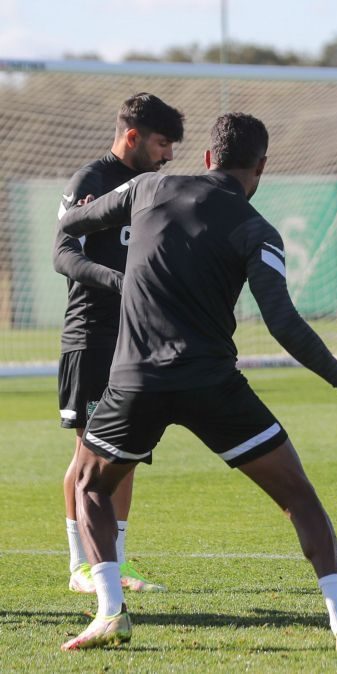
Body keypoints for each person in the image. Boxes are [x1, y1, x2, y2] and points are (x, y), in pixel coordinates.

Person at [57, 113, 337, 652]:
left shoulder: (148, 186)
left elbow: (74, 225)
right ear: (260, 167)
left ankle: (108, 612)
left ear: (205, 157)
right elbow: (284, 323)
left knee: (89, 487)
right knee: (299, 498)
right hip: (212, 384)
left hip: (135, 381)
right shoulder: (255, 229)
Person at [53, 93, 184, 594]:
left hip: (138, 340)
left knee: (125, 454)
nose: (168, 155)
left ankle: (116, 563)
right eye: (160, 143)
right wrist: (120, 282)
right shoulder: (91, 182)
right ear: (132, 137)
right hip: (92, 336)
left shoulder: (154, 187)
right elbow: (63, 255)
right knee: (89, 454)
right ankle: (80, 567)